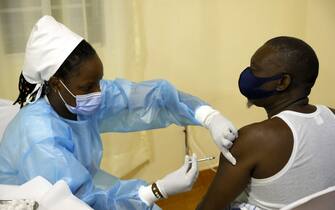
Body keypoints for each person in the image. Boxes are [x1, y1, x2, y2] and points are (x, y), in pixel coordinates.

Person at [0, 16, 237, 210]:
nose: (98, 92)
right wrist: (156, 190)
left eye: (99, 81)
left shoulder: (80, 96)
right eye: (87, 86)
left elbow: (154, 98)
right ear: (55, 83)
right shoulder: (40, 137)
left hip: (81, 182)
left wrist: (208, 117)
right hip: (39, 200)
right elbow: (76, 201)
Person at [196, 36, 335, 210]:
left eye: (255, 70)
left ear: (283, 82)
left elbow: (209, 208)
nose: (248, 76)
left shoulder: (253, 140)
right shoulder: (332, 116)